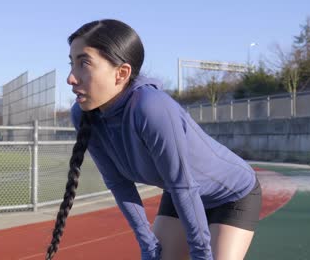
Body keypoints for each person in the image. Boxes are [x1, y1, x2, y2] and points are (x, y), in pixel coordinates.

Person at [46, 19, 262, 260]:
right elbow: (118, 183)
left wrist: (202, 254)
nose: (71, 78)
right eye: (72, 63)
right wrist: (148, 246)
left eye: (84, 63)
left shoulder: (151, 107)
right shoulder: (83, 115)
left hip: (230, 194)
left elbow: (183, 186)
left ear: (122, 73)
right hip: (180, 193)